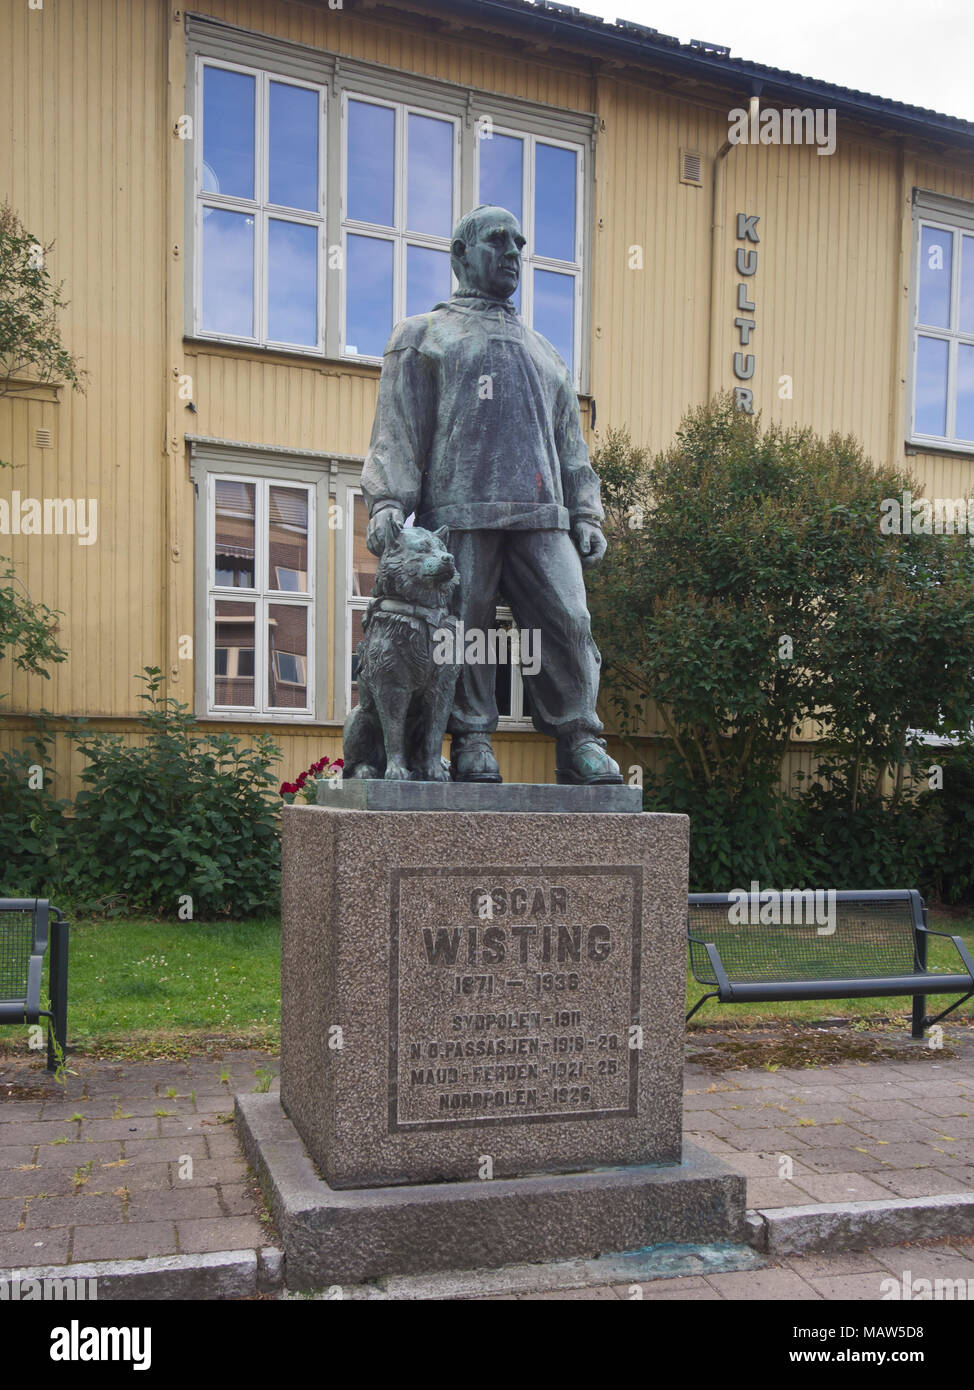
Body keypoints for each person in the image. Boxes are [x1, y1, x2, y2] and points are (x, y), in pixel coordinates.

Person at [361, 203, 622, 786]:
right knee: (465, 627)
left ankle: (579, 735)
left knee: (570, 619)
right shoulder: (423, 336)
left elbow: (570, 445)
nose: (513, 253)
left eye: (519, 244)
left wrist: (586, 511)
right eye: (498, 241)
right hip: (459, 511)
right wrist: (387, 500)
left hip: (542, 514)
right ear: (460, 255)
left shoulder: (544, 352)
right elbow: (397, 431)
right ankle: (473, 736)